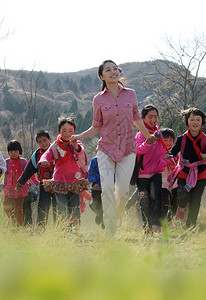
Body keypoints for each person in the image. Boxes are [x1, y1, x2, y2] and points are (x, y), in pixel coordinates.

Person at [70, 59, 155, 239]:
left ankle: (115, 219)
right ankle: (110, 230)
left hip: (127, 150)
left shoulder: (130, 94)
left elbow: (137, 118)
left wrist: (148, 136)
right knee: (107, 188)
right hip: (106, 150)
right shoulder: (98, 99)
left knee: (122, 192)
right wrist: (79, 136)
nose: (113, 72)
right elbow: (96, 126)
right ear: (102, 76)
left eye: (115, 69)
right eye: (108, 70)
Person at [164, 107, 206, 229]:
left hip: (200, 174)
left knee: (195, 201)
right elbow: (174, 150)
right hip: (184, 173)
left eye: (198, 119)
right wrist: (169, 155)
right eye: (192, 119)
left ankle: (191, 226)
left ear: (202, 122)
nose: (195, 122)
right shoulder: (181, 139)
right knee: (182, 197)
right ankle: (181, 208)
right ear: (187, 121)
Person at [39, 115, 90, 228]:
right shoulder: (55, 145)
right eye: (64, 131)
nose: (67, 133)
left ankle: (75, 230)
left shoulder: (78, 143)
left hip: (75, 182)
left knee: (74, 207)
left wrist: (75, 146)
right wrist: (44, 161)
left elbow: (81, 153)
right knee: (62, 208)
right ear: (59, 131)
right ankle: (64, 232)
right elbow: (46, 155)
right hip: (59, 182)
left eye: (70, 131)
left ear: (74, 131)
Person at [135, 105, 169, 233]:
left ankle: (155, 224)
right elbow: (138, 150)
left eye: (155, 117)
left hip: (156, 173)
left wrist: (164, 161)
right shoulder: (140, 134)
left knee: (156, 197)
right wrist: (148, 142)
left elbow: (163, 151)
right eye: (150, 117)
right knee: (145, 201)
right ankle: (146, 227)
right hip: (142, 174)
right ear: (143, 118)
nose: (153, 119)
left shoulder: (159, 134)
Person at [17, 130, 57, 228]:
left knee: (58, 207)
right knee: (43, 206)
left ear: (50, 139)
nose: (43, 143)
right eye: (40, 141)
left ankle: (59, 228)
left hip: (58, 185)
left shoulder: (57, 151)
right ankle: (41, 228)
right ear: (37, 143)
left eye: (44, 140)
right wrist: (20, 182)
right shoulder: (36, 155)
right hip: (44, 185)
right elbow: (29, 170)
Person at [0, 140, 35, 226]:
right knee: (6, 206)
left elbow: (28, 173)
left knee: (18, 209)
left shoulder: (23, 162)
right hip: (9, 188)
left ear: (19, 151)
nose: (13, 153)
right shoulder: (6, 162)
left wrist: (36, 183)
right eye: (11, 152)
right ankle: (12, 219)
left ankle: (19, 227)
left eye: (15, 151)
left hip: (20, 188)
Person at [160, 128, 177, 224]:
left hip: (175, 183)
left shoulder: (176, 152)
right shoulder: (158, 151)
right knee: (165, 203)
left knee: (175, 204)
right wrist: (165, 162)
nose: (168, 143)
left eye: (170, 140)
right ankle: (163, 223)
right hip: (162, 183)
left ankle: (169, 220)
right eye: (165, 140)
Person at [87, 156, 104, 228]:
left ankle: (104, 223)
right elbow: (90, 172)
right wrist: (94, 183)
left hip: (106, 188)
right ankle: (99, 214)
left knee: (104, 206)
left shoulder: (111, 159)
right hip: (96, 188)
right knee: (95, 204)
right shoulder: (94, 160)